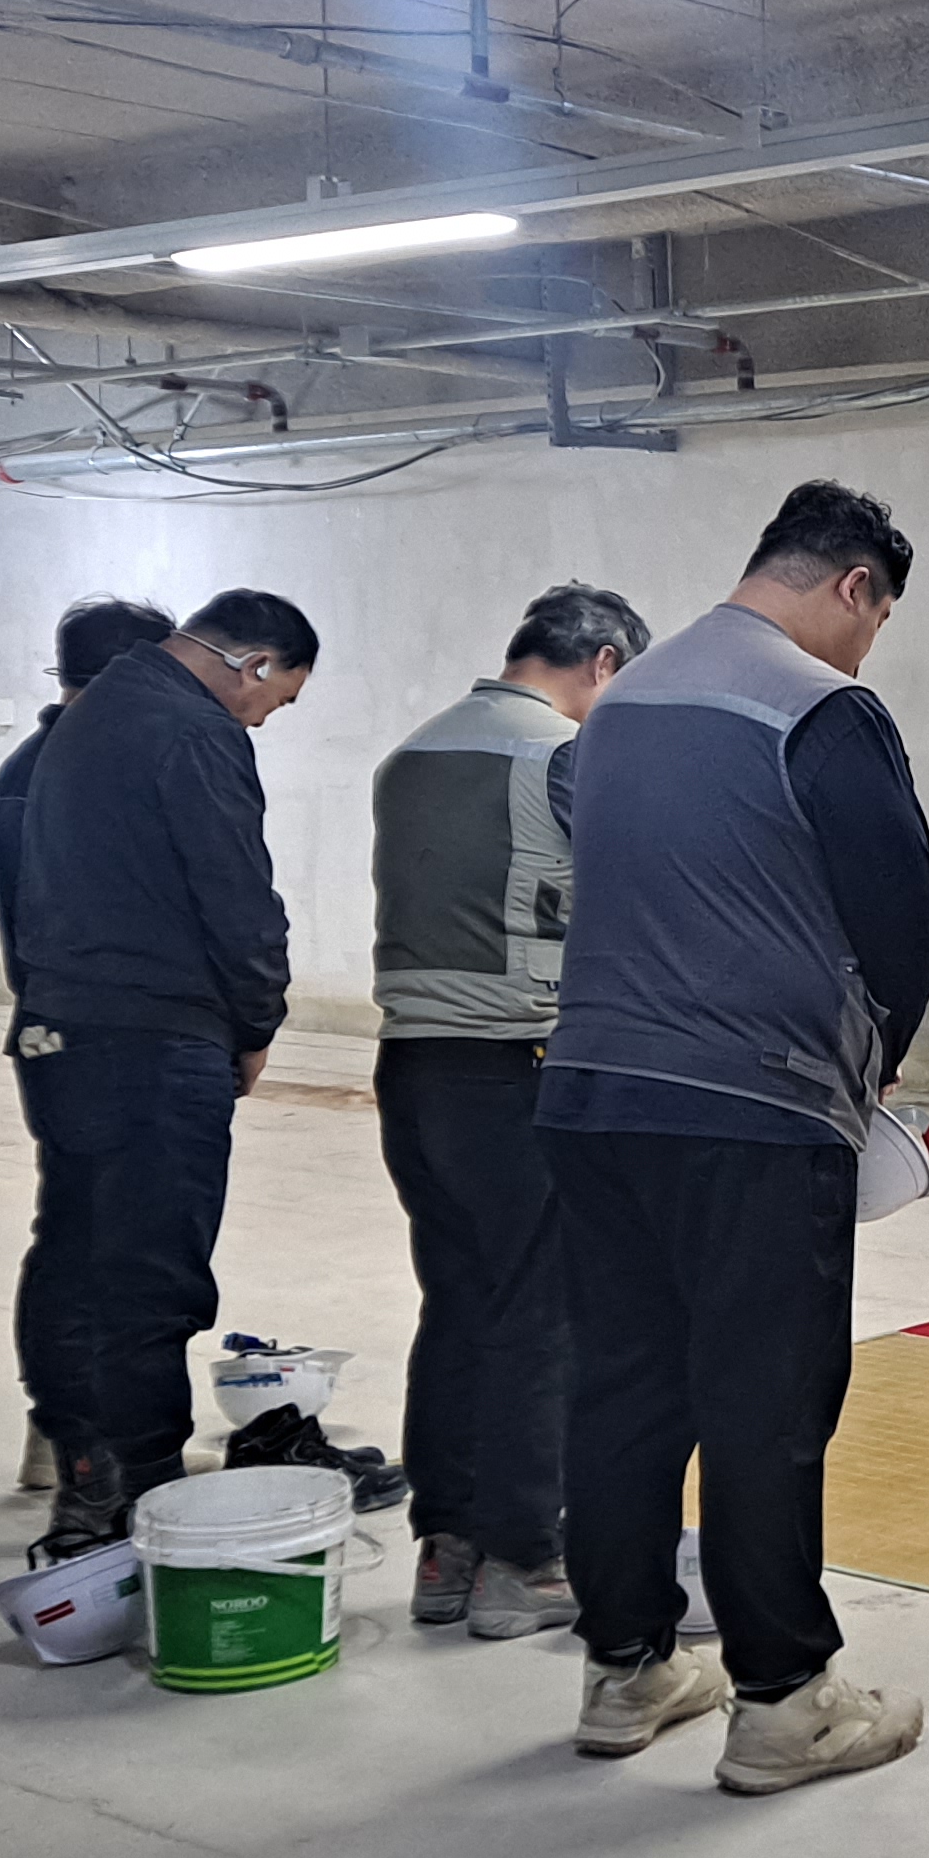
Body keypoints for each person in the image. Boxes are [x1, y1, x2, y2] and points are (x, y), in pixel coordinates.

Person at [539, 482, 929, 1795]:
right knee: (765, 1399)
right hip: (753, 1106)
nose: (865, 649)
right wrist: (872, 1063)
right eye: (874, 620)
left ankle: (627, 1667)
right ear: (853, 586)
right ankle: (783, 1700)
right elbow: (903, 912)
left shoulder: (620, 704)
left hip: (591, 1092)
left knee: (623, 1384)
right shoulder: (818, 707)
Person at [10, 588, 323, 1552]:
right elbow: (238, 896)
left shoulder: (92, 715)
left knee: (77, 1253)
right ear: (254, 663)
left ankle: (86, 1473)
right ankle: (142, 1494)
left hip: (65, 1031)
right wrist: (257, 1020)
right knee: (152, 1275)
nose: (264, 718)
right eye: (277, 698)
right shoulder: (193, 730)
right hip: (153, 1039)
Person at [371, 581, 648, 1645]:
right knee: (543, 1311)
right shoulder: (561, 757)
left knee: (459, 1301)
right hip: (516, 1064)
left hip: (412, 1066)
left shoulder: (413, 752)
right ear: (604, 664)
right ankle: (525, 1562)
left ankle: (446, 1550)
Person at [0, 593, 173, 1493]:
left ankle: (70, 1435)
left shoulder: (38, 766)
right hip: (92, 1038)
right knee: (93, 1240)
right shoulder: (70, 773)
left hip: (65, 1033)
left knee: (80, 1228)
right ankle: (84, 1443)